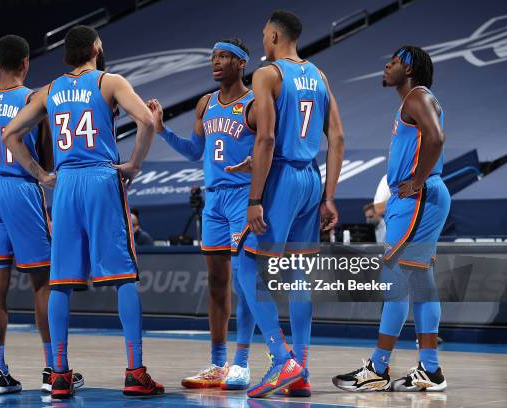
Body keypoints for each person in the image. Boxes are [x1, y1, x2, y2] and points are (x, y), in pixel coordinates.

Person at [3, 25, 163, 399]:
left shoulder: (50, 90)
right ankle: (135, 372)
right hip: (101, 179)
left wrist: (42, 175)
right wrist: (134, 165)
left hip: (66, 185)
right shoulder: (109, 81)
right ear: (94, 48)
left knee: (60, 281)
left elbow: (10, 133)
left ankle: (59, 374)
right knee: (124, 275)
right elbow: (147, 121)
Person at [228, 10, 344, 398]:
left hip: (280, 179)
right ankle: (303, 370)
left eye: (264, 34)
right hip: (310, 177)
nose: (263, 40)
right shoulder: (320, 75)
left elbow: (266, 139)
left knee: (246, 264)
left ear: (275, 36)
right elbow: (338, 138)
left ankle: (281, 359)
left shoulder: (268, 74)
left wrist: (255, 198)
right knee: (297, 275)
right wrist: (328, 195)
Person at [332, 46, 449, 392]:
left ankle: (378, 368)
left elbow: (437, 139)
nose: (386, 65)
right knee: (421, 284)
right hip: (419, 195)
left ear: (409, 67)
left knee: (394, 282)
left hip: (417, 196)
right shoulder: (411, 101)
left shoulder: (416, 97)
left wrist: (417, 179)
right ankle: (430, 369)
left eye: (394, 61)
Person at [0, 35, 82, 395]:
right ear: (26, 63)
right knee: (43, 282)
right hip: (20, 187)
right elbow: (46, 157)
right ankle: (53, 369)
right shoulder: (35, 99)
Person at [147, 38, 256, 390]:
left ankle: (242, 363)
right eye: (213, 56)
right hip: (215, 202)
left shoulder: (255, 102)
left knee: (245, 283)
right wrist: (162, 129)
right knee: (217, 284)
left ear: (241, 63)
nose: (216, 61)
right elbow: (194, 151)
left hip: (244, 198)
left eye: (224, 56)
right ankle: (217, 362)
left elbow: (273, 145)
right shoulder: (205, 103)